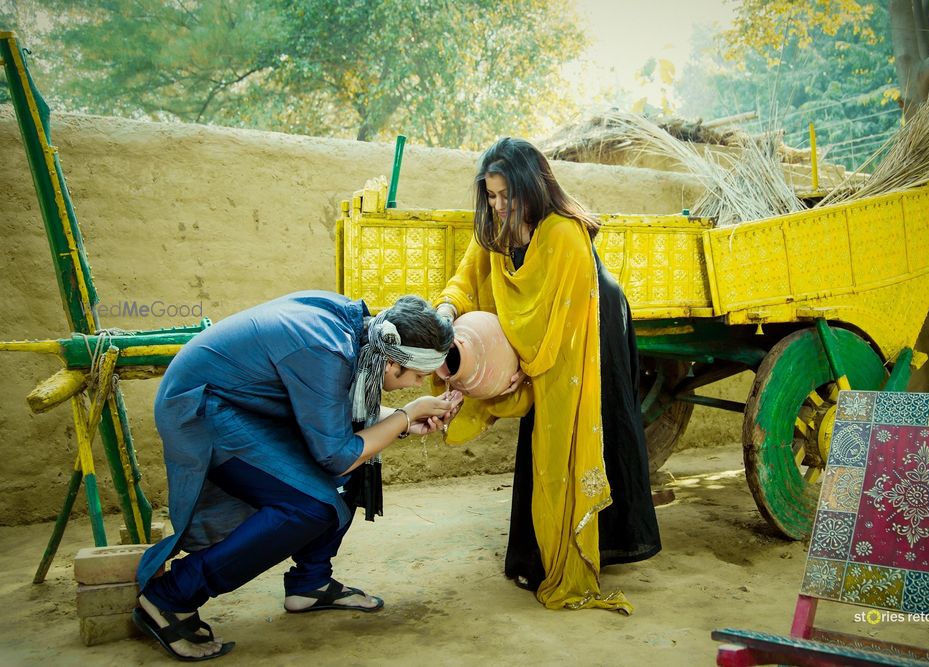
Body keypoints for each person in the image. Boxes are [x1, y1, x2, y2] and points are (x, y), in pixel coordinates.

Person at [133, 290, 462, 661]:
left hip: (246, 405)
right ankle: (170, 596)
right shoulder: (325, 350)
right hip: (202, 407)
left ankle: (310, 583)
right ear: (390, 363)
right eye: (418, 376)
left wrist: (403, 423)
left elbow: (337, 413)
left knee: (356, 468)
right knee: (309, 507)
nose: (417, 385)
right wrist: (404, 415)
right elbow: (336, 456)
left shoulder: (359, 332)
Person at [434, 137, 661, 615]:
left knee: (584, 425)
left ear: (531, 189)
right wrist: (446, 310)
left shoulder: (563, 235)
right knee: (543, 436)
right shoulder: (494, 232)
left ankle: (603, 542)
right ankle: (539, 547)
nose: (498, 206)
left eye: (506, 197)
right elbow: (465, 278)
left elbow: (560, 323)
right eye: (491, 196)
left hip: (590, 323)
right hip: (536, 341)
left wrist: (527, 369)